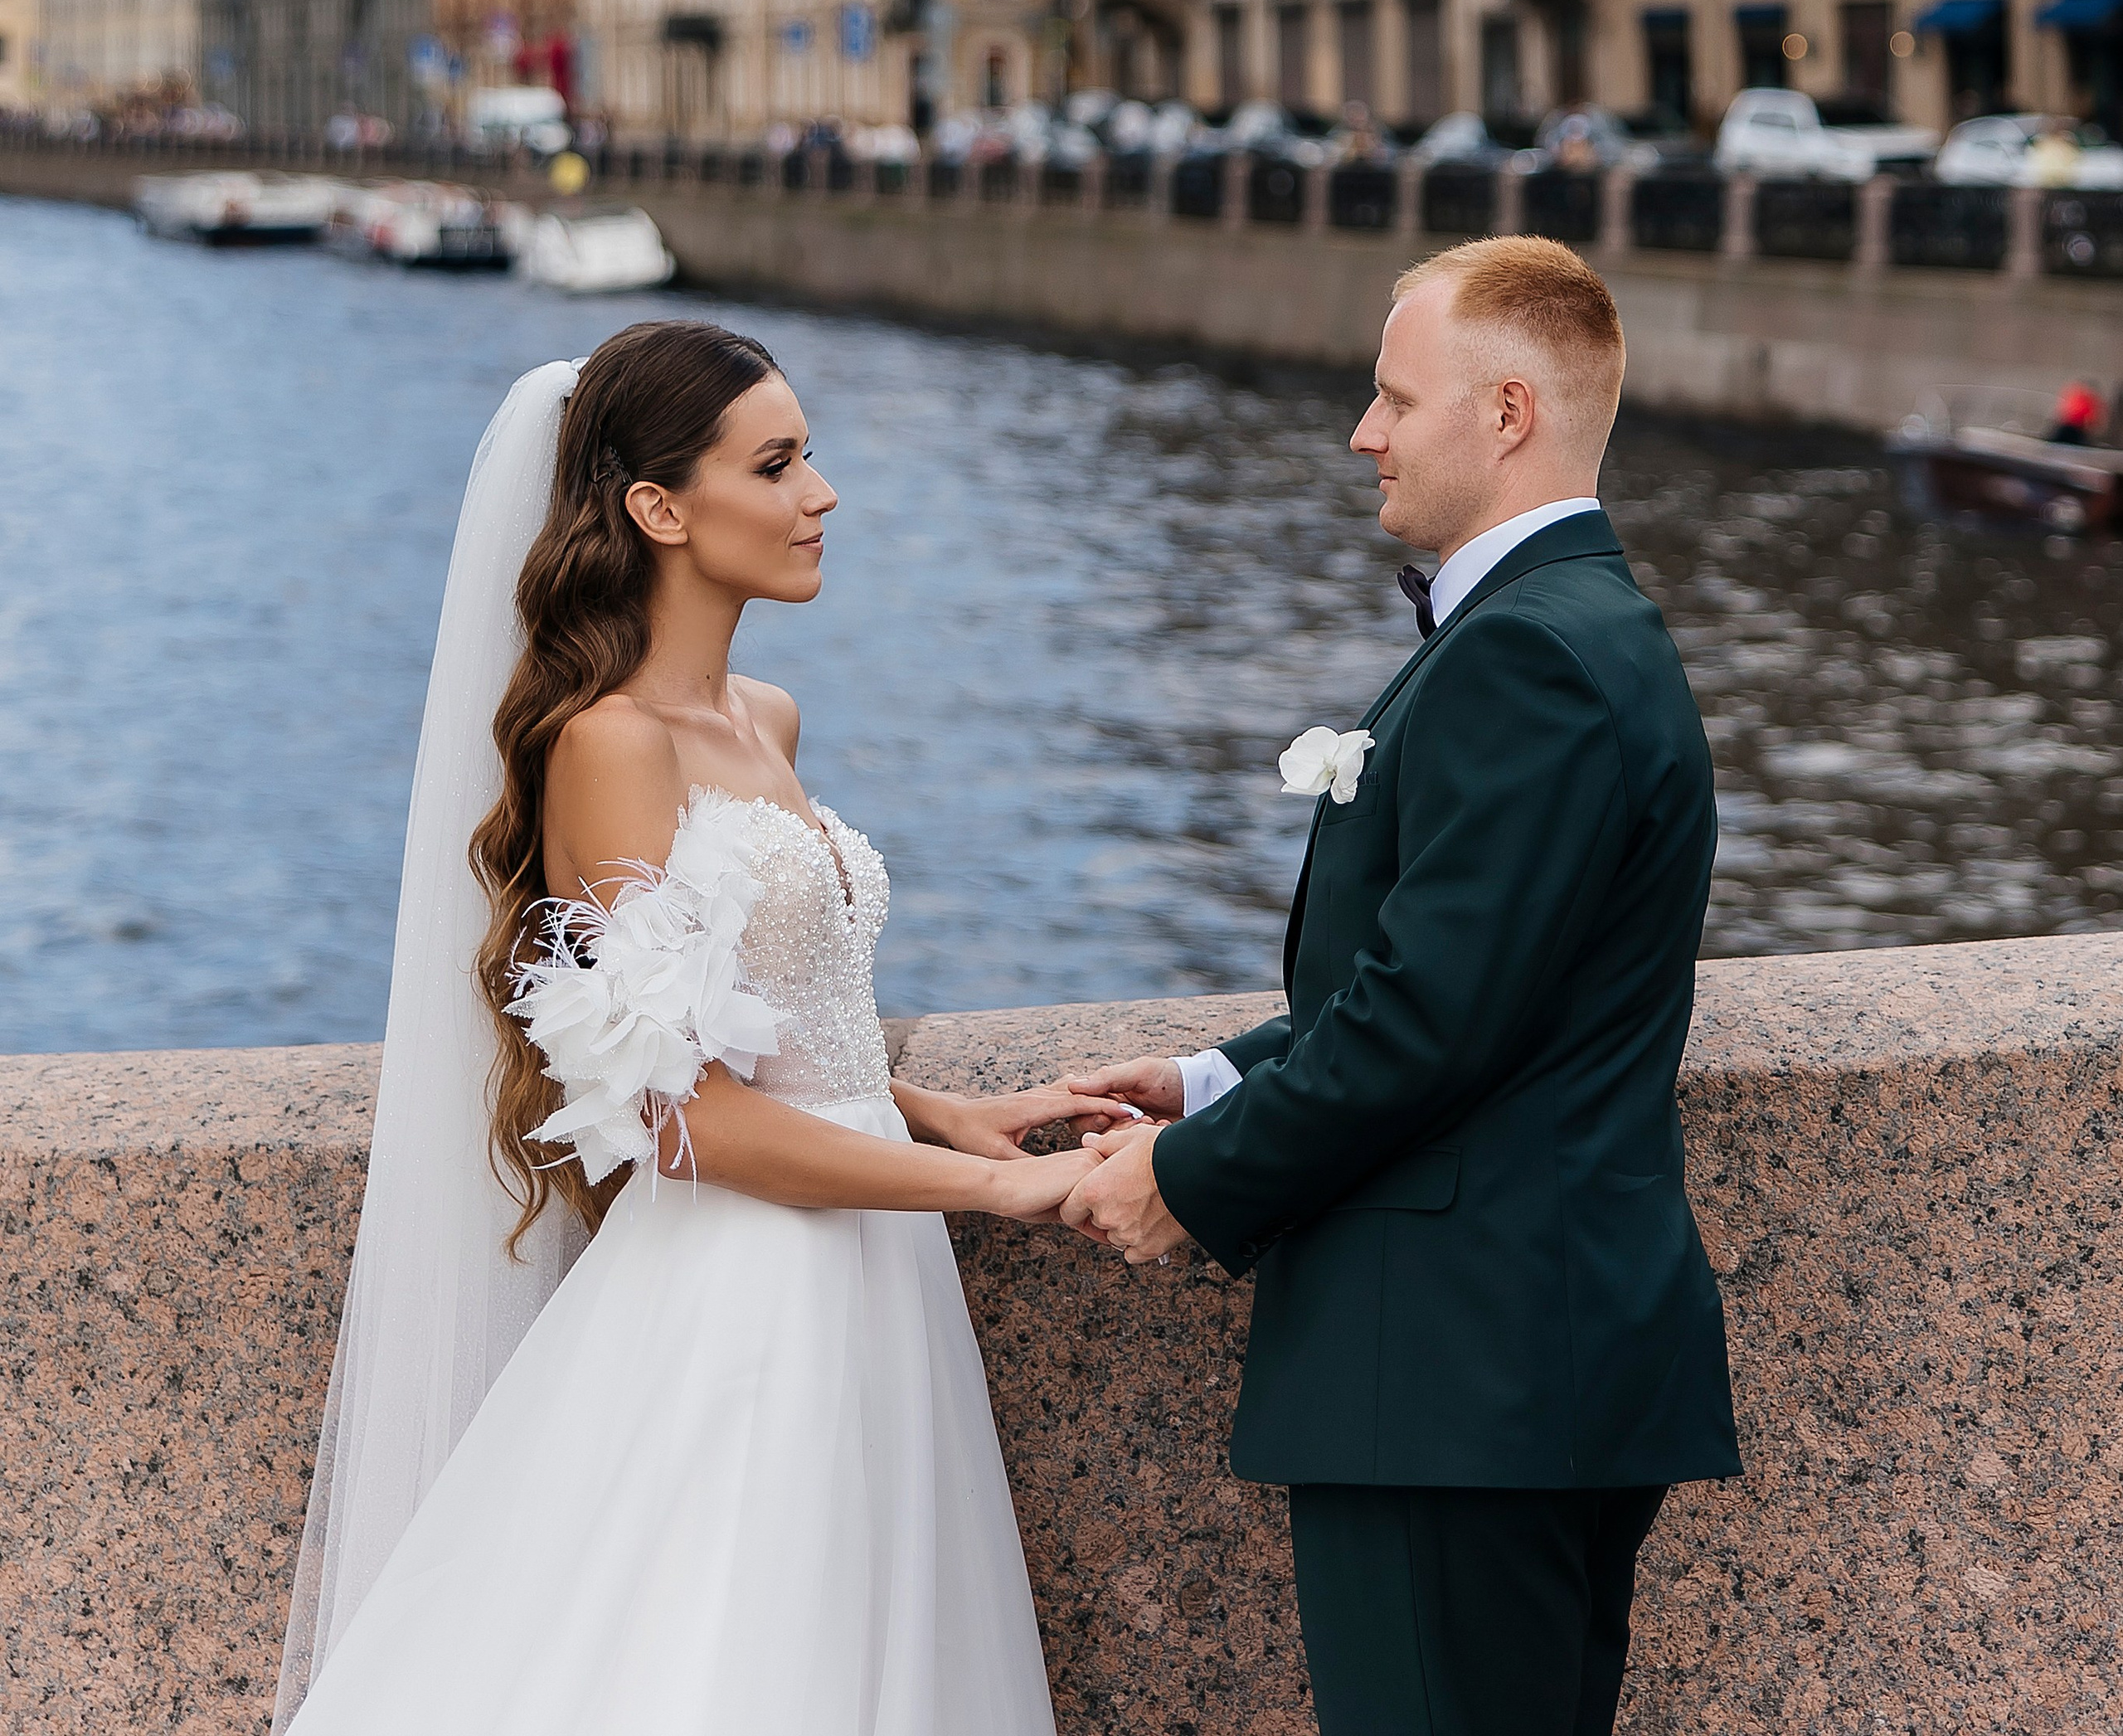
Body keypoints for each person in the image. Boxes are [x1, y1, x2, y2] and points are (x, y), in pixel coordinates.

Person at [275, 319, 1119, 1735]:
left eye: (810, 456)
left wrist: (941, 1112)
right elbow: (680, 1113)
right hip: (746, 1285)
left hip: (871, 1257)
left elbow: (778, 1027)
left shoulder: (766, 717)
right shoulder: (610, 743)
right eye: (775, 465)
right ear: (660, 507)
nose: (822, 493)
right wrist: (991, 1187)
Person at [1062, 235, 1740, 1736]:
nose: (1362, 432)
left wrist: (1187, 1175)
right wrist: (1214, 1078)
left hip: (1458, 1380)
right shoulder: (1578, 628)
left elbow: (1430, 1020)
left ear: (1506, 413)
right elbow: (1486, 981)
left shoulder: (1528, 658)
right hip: (1523, 1368)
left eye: (1393, 396)